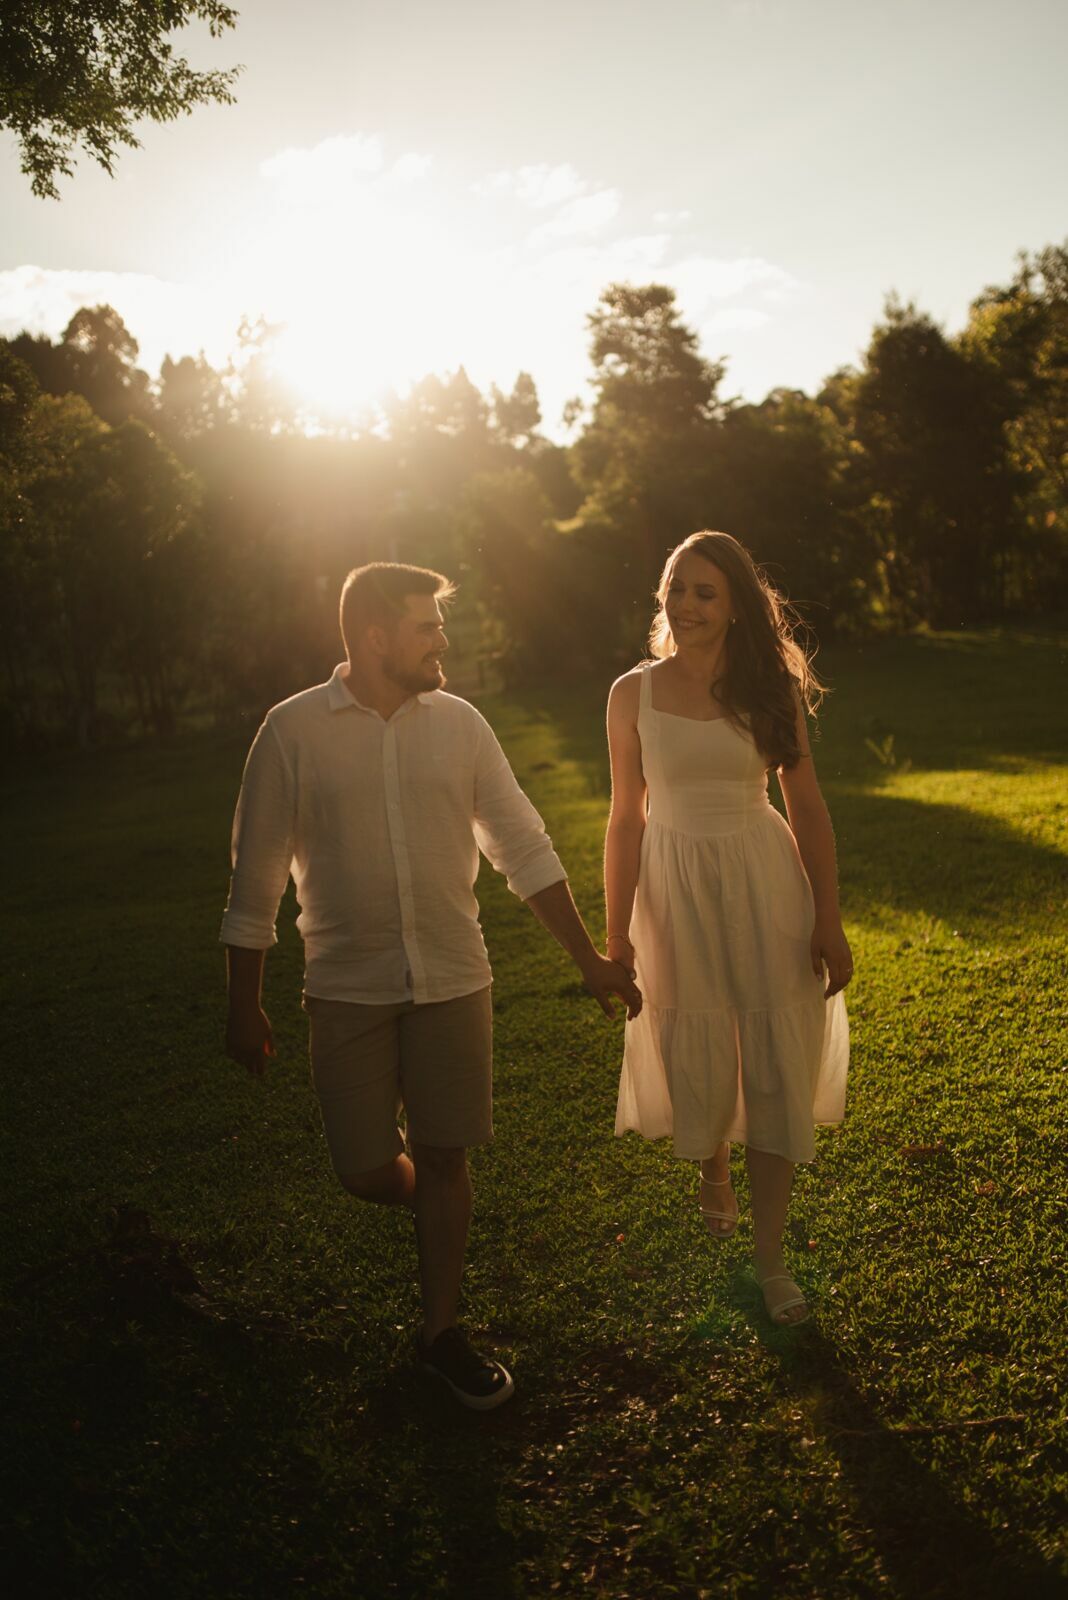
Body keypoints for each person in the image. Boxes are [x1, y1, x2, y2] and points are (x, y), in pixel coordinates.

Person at [221, 561, 640, 1408]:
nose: (443, 639)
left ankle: (440, 1334)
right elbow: (256, 875)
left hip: (455, 976)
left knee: (448, 1154)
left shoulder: (461, 725)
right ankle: (426, 1204)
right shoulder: (291, 731)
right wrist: (243, 1000)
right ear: (376, 637)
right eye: (427, 626)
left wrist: (589, 959)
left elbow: (522, 846)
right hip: (347, 988)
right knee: (366, 1170)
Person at [604, 531, 850, 1326]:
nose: (686, 606)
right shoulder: (630, 694)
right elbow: (623, 820)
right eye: (676, 588)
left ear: (738, 605)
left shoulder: (768, 686)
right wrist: (617, 935)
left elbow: (806, 807)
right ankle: (712, 1161)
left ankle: (771, 1262)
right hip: (673, 889)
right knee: (695, 1047)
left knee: (775, 1058)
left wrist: (829, 917)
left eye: (705, 592)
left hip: (761, 878)